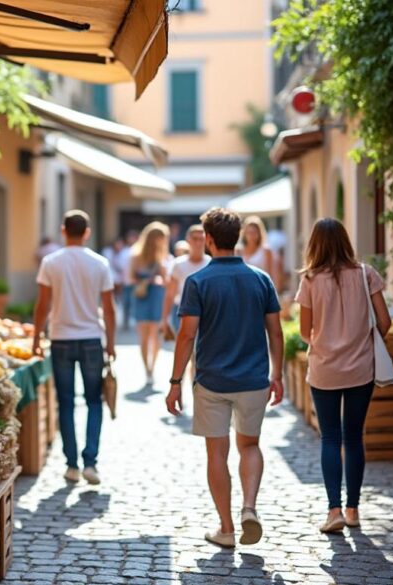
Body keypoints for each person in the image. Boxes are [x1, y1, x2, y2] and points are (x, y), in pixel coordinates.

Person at [166, 207, 284, 549]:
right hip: (253, 380)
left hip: (212, 382)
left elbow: (186, 336)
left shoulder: (198, 281)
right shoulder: (261, 279)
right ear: (237, 238)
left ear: (210, 240)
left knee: (216, 452)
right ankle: (250, 507)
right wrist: (278, 375)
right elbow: (275, 333)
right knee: (250, 445)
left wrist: (175, 384)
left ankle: (227, 528)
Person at [295, 218, 391, 533]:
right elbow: (385, 321)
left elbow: (305, 332)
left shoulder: (309, 280)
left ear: (315, 245)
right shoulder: (366, 274)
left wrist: (327, 341)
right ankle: (353, 510)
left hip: (324, 369)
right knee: (354, 437)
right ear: (345, 242)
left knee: (330, 438)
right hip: (361, 368)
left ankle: (333, 510)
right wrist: (362, 341)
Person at [32, 210, 116, 485]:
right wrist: (111, 343)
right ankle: (91, 462)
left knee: (65, 402)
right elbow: (109, 308)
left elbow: (43, 304)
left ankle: (71, 465)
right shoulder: (100, 263)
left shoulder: (51, 262)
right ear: (87, 232)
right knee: (94, 401)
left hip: (61, 338)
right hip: (92, 338)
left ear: (63, 231)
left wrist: (36, 337)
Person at [128, 222, 170, 387]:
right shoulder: (136, 255)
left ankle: (151, 368)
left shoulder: (162, 256)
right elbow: (130, 278)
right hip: (142, 295)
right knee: (144, 336)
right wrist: (146, 279)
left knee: (155, 335)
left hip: (156, 296)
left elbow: (167, 281)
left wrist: (158, 278)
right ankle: (147, 369)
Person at [161, 225, 211, 340]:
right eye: (195, 239)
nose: (198, 243)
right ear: (188, 240)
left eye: (201, 239)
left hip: (206, 312)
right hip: (182, 311)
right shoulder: (178, 264)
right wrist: (164, 319)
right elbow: (170, 294)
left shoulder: (211, 263)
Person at [239, 215, 276, 284]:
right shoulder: (238, 251)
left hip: (260, 286)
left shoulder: (266, 251)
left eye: (254, 233)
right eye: (249, 233)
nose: (251, 236)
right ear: (244, 234)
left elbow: (271, 275)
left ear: (259, 233)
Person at [117, 230, 139, 331]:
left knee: (135, 304)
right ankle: (126, 323)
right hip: (126, 282)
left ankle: (136, 324)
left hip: (136, 283)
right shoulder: (124, 252)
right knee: (125, 303)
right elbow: (120, 266)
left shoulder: (139, 251)